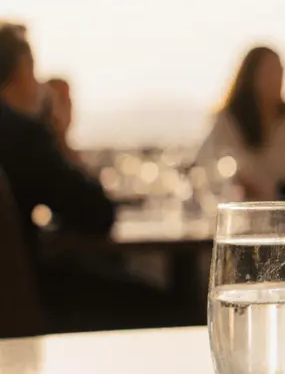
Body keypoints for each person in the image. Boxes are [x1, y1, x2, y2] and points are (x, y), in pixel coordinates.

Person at [0, 23, 172, 330]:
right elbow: (97, 212)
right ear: (23, 71)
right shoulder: (21, 135)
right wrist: (57, 137)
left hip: (14, 300)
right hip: (31, 300)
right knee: (174, 306)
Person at [196, 46, 285, 200]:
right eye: (269, 72)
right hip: (244, 211)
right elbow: (211, 164)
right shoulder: (229, 120)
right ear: (251, 76)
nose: (277, 78)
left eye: (280, 71)